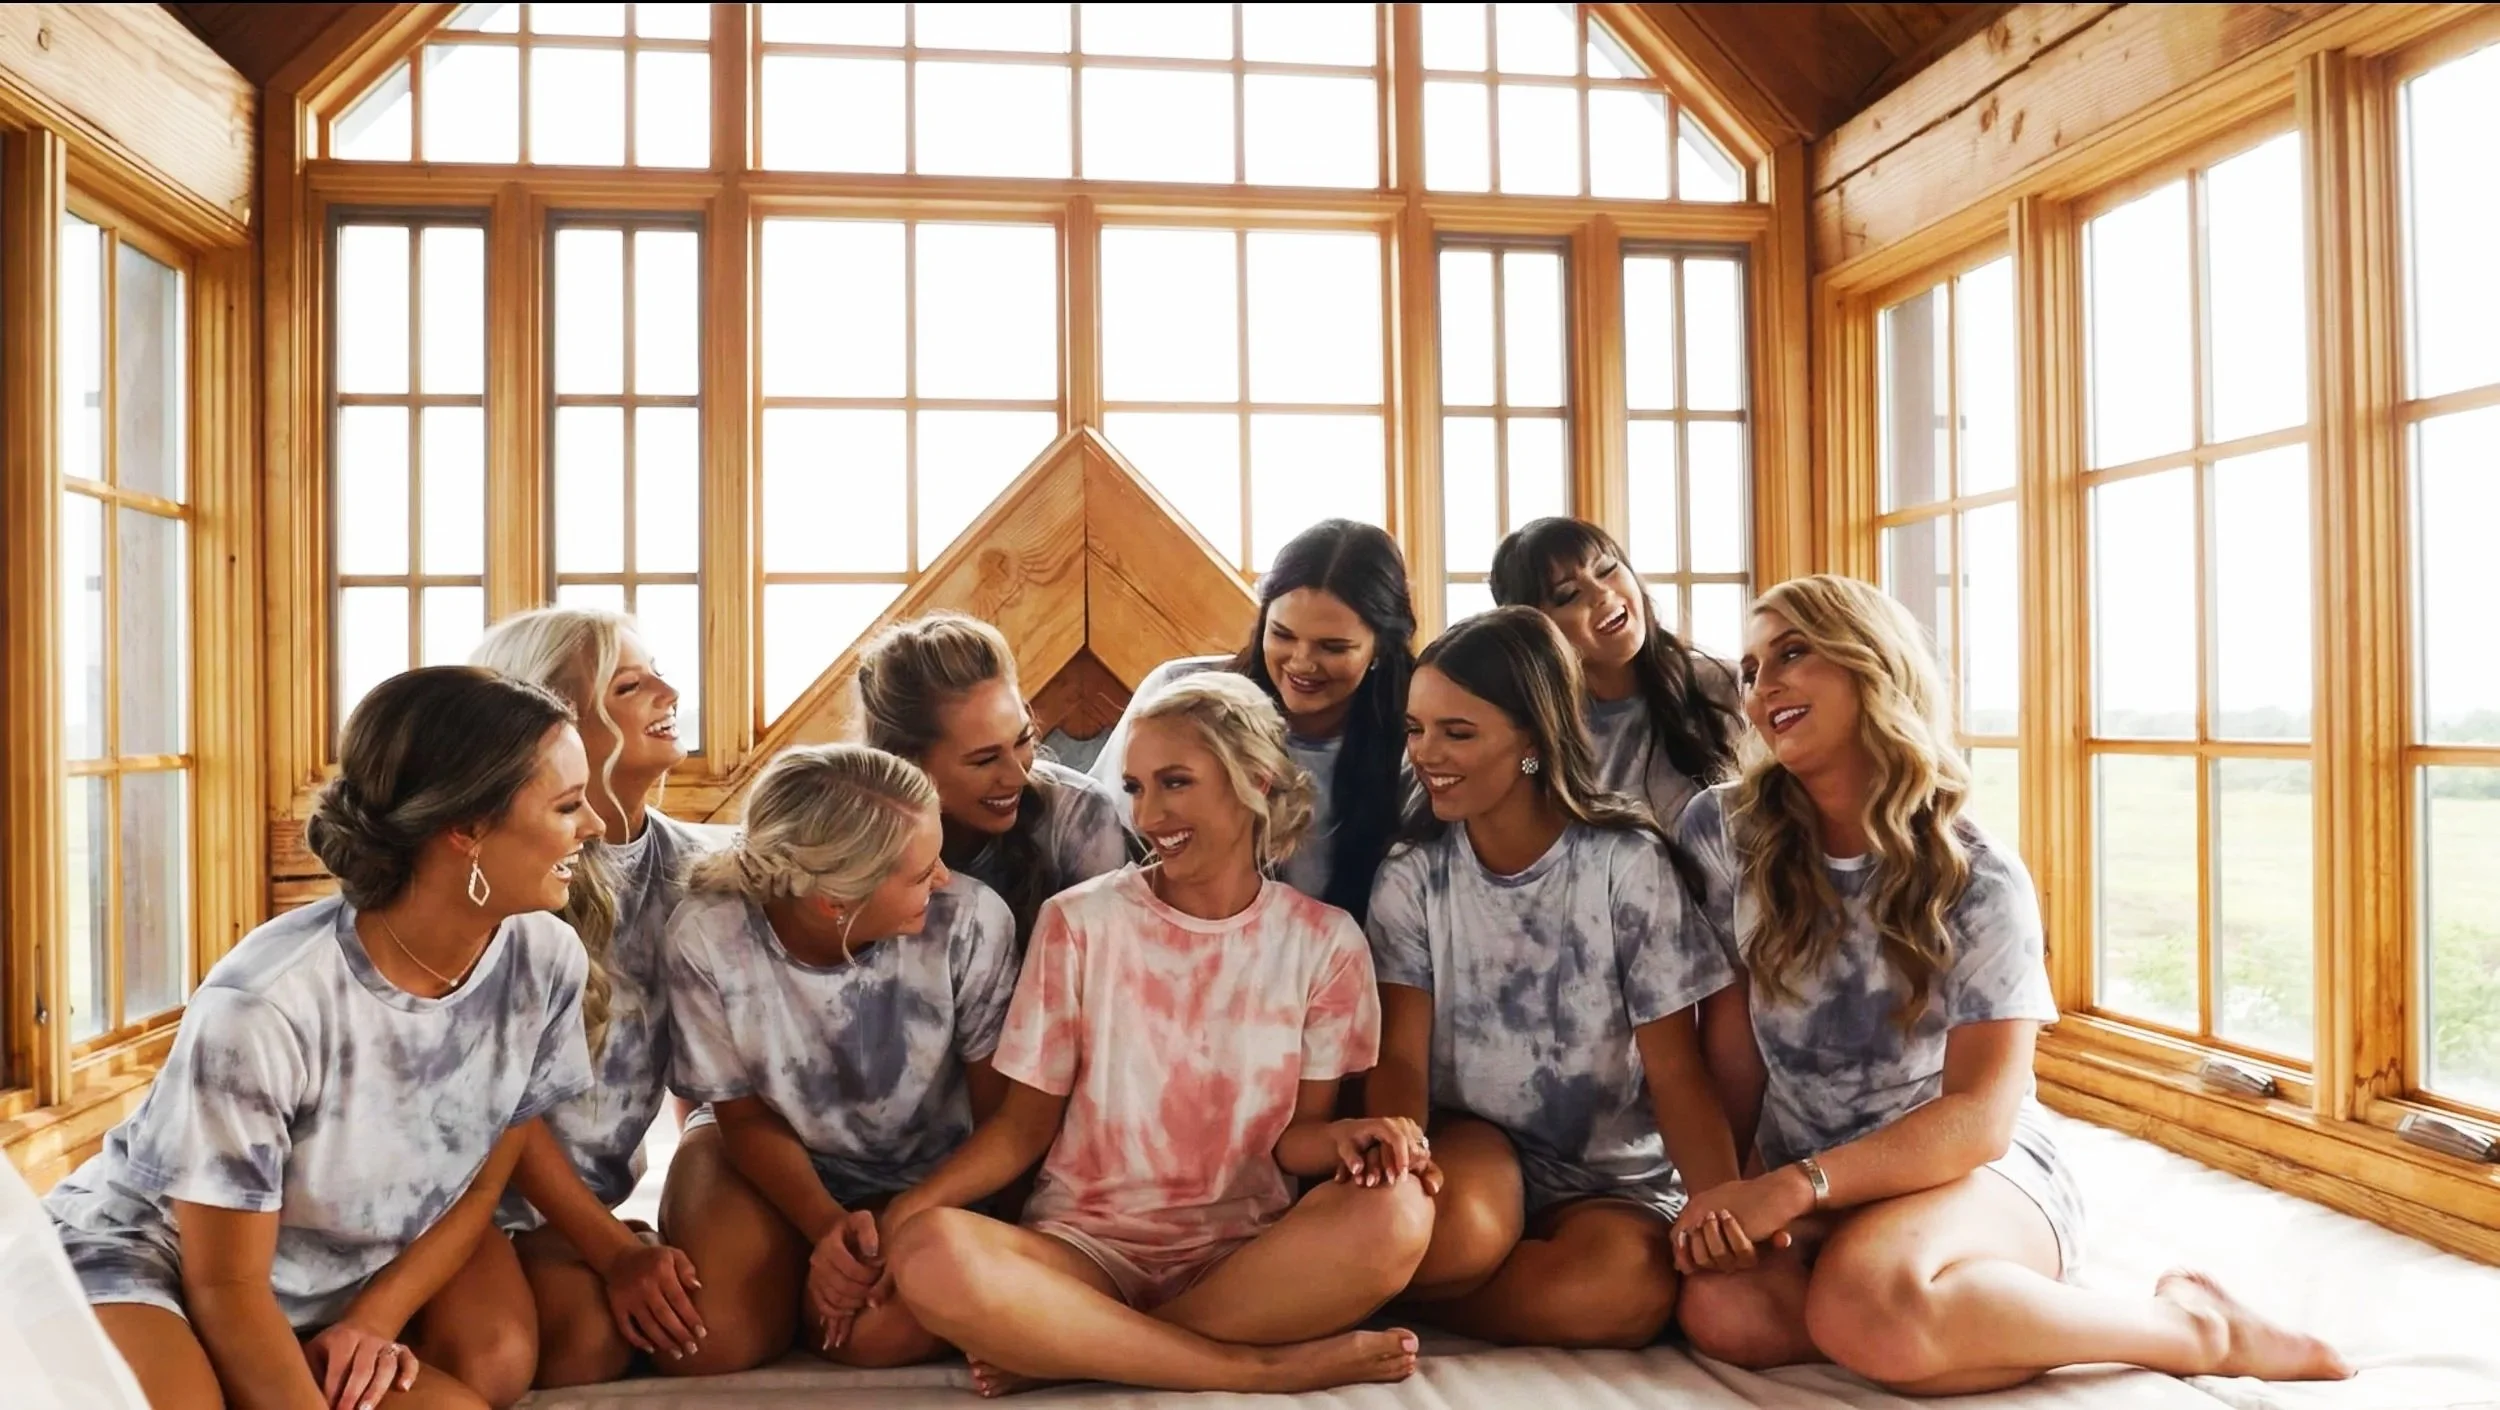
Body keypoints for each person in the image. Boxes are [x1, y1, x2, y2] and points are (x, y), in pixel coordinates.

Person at [1672, 575, 2352, 1393]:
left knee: (1867, 1307)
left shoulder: (1980, 878)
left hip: (1966, 1170)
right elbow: (1733, 1052)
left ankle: (2196, 1327)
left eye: (1792, 653)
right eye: (1750, 671)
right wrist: (1723, 1198)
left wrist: (1796, 1185)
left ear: (1870, 664)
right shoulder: (1725, 834)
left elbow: (1979, 1118)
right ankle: (1923, 1311)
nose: (1763, 686)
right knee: (1726, 1313)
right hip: (1814, 1179)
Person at [44, 666, 604, 1410]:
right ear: (466, 829)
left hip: (329, 1274)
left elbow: (479, 1185)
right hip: (159, 1261)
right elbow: (226, 1284)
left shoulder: (544, 958)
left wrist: (372, 1322)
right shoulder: (264, 1006)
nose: (595, 825)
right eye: (567, 805)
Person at [886, 672, 1433, 1397]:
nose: (1148, 814)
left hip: (1245, 1259)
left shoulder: (1325, 942)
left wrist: (1349, 1139)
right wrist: (905, 1214)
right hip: (1085, 1249)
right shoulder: (1078, 922)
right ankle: (1253, 1367)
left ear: (1255, 781)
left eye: (1175, 782)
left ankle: (1074, 1346)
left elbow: (1294, 1141)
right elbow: (1022, 1129)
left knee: (1400, 1212)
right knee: (929, 1251)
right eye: (1136, 788)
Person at [1365, 607, 1743, 1348]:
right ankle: (1430, 1276)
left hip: (1611, 1177)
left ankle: (1423, 1307)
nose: (1426, 754)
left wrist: (1720, 1203)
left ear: (1534, 739)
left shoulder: (1627, 864)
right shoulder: (1413, 874)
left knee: (1623, 1293)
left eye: (1457, 732)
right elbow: (1401, 1058)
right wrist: (1405, 1160)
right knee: (1449, 1238)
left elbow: (1677, 1073)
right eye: (1415, 729)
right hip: (1478, 1146)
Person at [652, 744, 1021, 1377]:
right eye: (921, 872)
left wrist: (903, 1225)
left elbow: (1000, 1121)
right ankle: (778, 1272)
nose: (943, 879)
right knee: (709, 1344)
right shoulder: (707, 935)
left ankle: (793, 1285)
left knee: (870, 1336)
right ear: (835, 901)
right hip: (754, 1155)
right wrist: (825, 1225)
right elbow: (742, 1118)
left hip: (924, 1173)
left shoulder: (972, 922)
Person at [469, 606, 711, 1387]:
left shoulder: (699, 869)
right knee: (553, 1350)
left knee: (610, 1341)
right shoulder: (512, 880)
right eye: (631, 686)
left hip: (583, 1208)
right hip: (470, 1199)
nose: (670, 693)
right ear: (556, 729)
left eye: (657, 675)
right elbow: (506, 1111)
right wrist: (611, 1250)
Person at [1090, 518, 1415, 921]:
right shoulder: (1179, 696)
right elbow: (1101, 837)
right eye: (1282, 635)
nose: (1301, 663)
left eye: (1332, 647)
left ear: (1381, 647)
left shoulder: (1420, 735)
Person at [858, 611, 1135, 943]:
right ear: (906, 762)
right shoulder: (850, 847)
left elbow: (1110, 962)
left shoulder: (1079, 814)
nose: (1018, 777)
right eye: (985, 760)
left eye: (1023, 740)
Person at [1490, 516, 1741, 830]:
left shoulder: (1727, 687)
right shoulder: (1535, 734)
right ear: (1539, 632)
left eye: (1606, 569)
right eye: (1569, 594)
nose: (1601, 593)